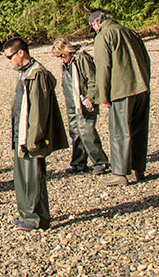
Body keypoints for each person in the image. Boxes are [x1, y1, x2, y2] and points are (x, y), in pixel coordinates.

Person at [2, 38, 68, 231]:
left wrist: (33, 139)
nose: (9, 61)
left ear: (20, 53)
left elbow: (38, 111)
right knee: (22, 178)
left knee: (33, 178)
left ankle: (37, 219)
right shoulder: (24, 73)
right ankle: (26, 214)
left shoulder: (36, 73)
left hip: (29, 137)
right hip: (20, 133)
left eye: (10, 57)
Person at [89, 10, 152, 186]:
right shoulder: (130, 31)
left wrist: (103, 95)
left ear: (96, 24)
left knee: (119, 131)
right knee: (139, 130)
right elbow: (146, 59)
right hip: (141, 88)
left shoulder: (104, 35)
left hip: (121, 90)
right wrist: (145, 82)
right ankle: (137, 169)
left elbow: (103, 67)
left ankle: (119, 172)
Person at [51, 38, 109, 176]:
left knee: (87, 131)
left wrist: (90, 97)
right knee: (75, 132)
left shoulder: (81, 58)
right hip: (72, 103)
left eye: (61, 56)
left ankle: (100, 162)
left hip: (84, 102)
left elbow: (92, 79)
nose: (61, 59)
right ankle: (79, 163)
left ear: (67, 51)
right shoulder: (67, 63)